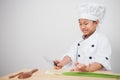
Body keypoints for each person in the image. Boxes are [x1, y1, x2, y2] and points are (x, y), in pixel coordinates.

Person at [54, 3, 112, 72]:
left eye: (86, 23)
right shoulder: (79, 40)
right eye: (80, 24)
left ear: (96, 22)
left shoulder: (102, 39)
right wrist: (62, 63)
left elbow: (102, 60)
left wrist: (87, 68)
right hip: (80, 74)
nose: (82, 27)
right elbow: (70, 54)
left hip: (96, 74)